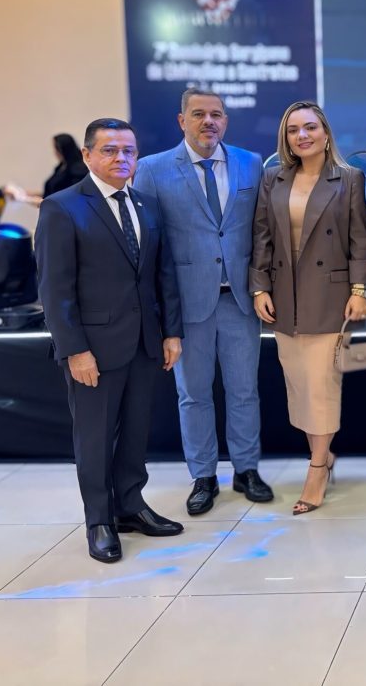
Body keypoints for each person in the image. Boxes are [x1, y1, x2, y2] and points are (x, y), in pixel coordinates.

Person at [35, 118, 185, 562]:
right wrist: (74, 350)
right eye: (110, 150)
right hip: (93, 349)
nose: (122, 158)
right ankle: (99, 520)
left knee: (136, 432)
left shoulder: (146, 204)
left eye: (129, 151)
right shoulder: (62, 207)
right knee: (95, 438)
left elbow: (162, 274)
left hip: (145, 342)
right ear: (87, 155)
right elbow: (55, 289)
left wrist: (171, 332)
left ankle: (130, 506)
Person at [134, 88, 272, 515]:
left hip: (240, 301)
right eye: (198, 114)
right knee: (193, 394)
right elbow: (149, 245)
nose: (208, 121)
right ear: (182, 121)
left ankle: (247, 470)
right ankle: (204, 476)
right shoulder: (152, 169)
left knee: (244, 391)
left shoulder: (251, 163)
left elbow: (261, 231)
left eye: (216, 114)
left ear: (225, 120)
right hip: (187, 304)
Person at [251, 101, 366, 515]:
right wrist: (258, 288)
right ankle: (324, 455)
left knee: (322, 385)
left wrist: (360, 290)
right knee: (300, 385)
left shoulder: (349, 178)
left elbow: (360, 239)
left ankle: (317, 466)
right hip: (284, 298)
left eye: (310, 127)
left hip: (330, 298)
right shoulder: (273, 178)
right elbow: (262, 238)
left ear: (325, 133)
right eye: (293, 130)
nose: (302, 136)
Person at [3, 133, 88, 208]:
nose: (54, 152)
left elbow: (71, 199)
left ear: (63, 149)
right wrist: (27, 194)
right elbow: (52, 191)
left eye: (56, 148)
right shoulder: (61, 167)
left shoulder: (79, 171)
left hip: (66, 217)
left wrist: (34, 201)